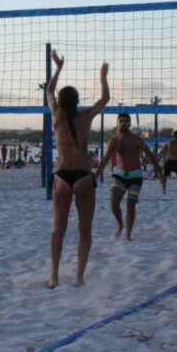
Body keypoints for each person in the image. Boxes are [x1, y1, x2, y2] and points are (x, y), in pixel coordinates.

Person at [46, 51, 110, 288]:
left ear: (62, 103)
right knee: (85, 231)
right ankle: (79, 277)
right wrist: (103, 76)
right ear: (77, 101)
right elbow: (104, 99)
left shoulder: (56, 117)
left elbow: (49, 92)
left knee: (58, 230)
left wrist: (58, 68)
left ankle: (54, 276)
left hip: (62, 175)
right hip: (83, 175)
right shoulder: (85, 118)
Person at [93, 113, 165, 241]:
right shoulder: (114, 141)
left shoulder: (136, 139)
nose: (123, 123)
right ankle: (120, 224)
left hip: (135, 175)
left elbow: (151, 155)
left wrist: (160, 173)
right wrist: (95, 176)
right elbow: (105, 159)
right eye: (121, 121)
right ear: (117, 124)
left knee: (131, 205)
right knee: (114, 203)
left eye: (126, 121)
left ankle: (128, 234)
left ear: (130, 124)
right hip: (120, 174)